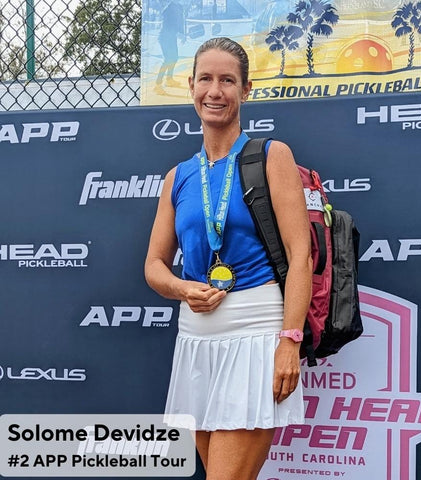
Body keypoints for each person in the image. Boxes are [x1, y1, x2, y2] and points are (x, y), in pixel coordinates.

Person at [145, 37, 312, 480]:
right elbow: (154, 266)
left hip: (256, 335)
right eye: (205, 79)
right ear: (191, 86)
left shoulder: (272, 156)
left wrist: (289, 341)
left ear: (246, 89)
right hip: (195, 341)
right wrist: (182, 288)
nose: (214, 91)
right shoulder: (178, 177)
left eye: (227, 80)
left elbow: (301, 256)